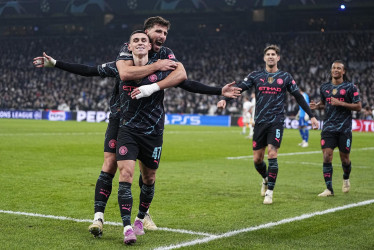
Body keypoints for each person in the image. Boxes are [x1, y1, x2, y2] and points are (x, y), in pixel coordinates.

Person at [33, 32, 241, 245]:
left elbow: (186, 83)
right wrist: (56, 63)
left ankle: (141, 217)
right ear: (129, 46)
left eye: (147, 40)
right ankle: (103, 219)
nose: (145, 42)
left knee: (149, 177)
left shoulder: (164, 64)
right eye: (138, 40)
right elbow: (89, 70)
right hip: (124, 124)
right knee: (114, 167)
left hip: (152, 130)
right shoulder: (123, 64)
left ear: (150, 46)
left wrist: (218, 91)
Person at [217, 44, 319, 205]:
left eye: (274, 54)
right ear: (264, 58)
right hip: (260, 122)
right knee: (257, 160)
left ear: (278, 58)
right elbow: (239, 89)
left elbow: (299, 97)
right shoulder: (256, 76)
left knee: (272, 154)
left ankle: (270, 192)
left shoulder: (285, 77)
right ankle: (265, 179)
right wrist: (224, 99)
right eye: (268, 54)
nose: (271, 56)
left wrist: (312, 116)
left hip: (276, 122)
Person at [310, 60, 361, 197]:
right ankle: (329, 189)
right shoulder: (324, 87)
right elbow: (325, 103)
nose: (336, 70)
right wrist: (317, 106)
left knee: (345, 159)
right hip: (328, 127)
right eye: (334, 68)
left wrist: (340, 103)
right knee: (327, 156)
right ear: (331, 70)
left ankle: (346, 178)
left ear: (343, 71)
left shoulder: (351, 87)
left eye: (339, 68)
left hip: (344, 128)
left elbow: (358, 106)